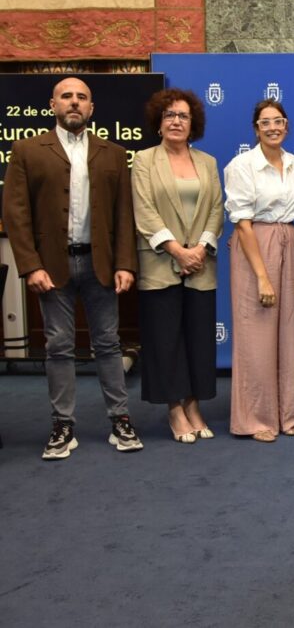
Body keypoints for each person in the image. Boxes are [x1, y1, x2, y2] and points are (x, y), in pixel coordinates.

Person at [2, 77, 142, 459]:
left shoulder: (112, 153)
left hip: (101, 266)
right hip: (52, 268)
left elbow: (123, 214)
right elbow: (16, 214)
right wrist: (30, 266)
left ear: (92, 108)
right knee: (59, 347)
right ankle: (62, 425)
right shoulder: (28, 150)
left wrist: (126, 263)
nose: (74, 102)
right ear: (53, 105)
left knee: (109, 345)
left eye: (82, 97)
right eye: (67, 96)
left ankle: (121, 420)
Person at [132, 88, 223, 443]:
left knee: (199, 340)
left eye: (183, 116)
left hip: (201, 265)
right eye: (169, 115)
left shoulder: (208, 162)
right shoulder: (143, 161)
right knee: (165, 340)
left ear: (193, 123)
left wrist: (199, 249)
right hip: (159, 263)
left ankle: (194, 404)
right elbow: (144, 210)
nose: (176, 121)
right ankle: (174, 409)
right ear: (158, 122)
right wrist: (177, 250)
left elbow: (217, 208)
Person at [224, 99, 294, 442]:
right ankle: (257, 419)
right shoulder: (242, 165)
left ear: (286, 126)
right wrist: (261, 276)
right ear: (256, 128)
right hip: (256, 244)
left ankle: (288, 414)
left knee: (290, 333)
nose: (273, 127)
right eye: (265, 121)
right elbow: (242, 225)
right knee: (256, 334)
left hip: (290, 240)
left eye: (279, 121)